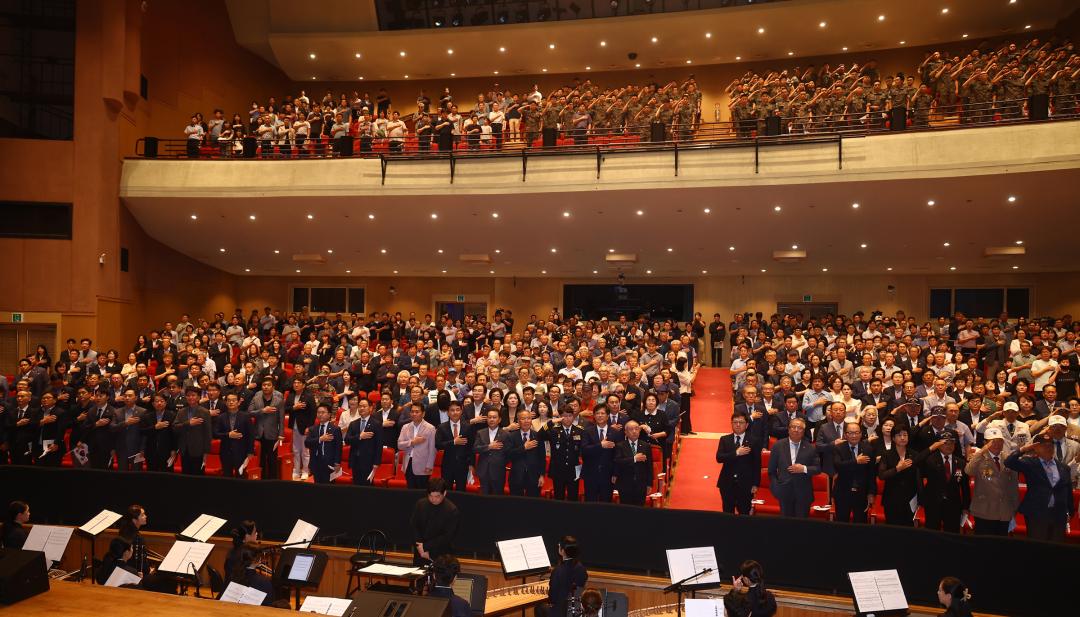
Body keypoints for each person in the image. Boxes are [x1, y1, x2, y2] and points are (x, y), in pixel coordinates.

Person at [1004, 433, 1073, 541]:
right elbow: (1009, 462)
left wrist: (1069, 511)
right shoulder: (1030, 463)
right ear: (1035, 448)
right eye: (1044, 445)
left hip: (1058, 515)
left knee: (1057, 549)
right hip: (1037, 514)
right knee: (1038, 549)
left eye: (1050, 445)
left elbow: (1068, 491)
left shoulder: (1064, 467)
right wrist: (1023, 449)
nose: (1048, 448)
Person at [878, 425, 940, 526]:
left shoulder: (913, 454)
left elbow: (921, 457)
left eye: (905, 435)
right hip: (892, 498)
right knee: (892, 528)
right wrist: (897, 469)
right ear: (893, 438)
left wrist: (932, 448)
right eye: (899, 435)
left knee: (908, 529)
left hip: (910, 498)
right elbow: (882, 475)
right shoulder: (886, 454)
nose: (902, 438)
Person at [964, 427, 1018, 536]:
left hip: (1004, 511)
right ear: (985, 443)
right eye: (992, 442)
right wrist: (982, 451)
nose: (997, 444)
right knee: (983, 546)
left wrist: (1013, 508)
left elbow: (1013, 485)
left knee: (1000, 547)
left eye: (1000, 441)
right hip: (984, 510)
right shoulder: (979, 458)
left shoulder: (1008, 458)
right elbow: (968, 471)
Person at [767, 417, 820, 518]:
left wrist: (804, 468)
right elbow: (771, 471)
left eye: (799, 428)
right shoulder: (778, 446)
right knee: (786, 526)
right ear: (788, 429)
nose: (796, 430)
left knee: (801, 527)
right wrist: (776, 488)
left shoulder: (811, 448)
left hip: (803, 493)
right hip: (784, 492)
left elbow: (817, 469)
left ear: (804, 431)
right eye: (793, 427)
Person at [919, 430, 971, 533]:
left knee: (952, 534)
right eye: (945, 443)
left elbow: (965, 487)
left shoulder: (961, 462)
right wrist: (930, 449)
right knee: (932, 534)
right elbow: (917, 462)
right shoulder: (929, 460)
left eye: (952, 443)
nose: (949, 446)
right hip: (933, 504)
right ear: (937, 445)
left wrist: (965, 506)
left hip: (953, 505)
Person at [716, 412, 760, 514]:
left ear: (747, 425)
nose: (738, 425)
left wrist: (755, 484)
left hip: (746, 484)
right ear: (731, 424)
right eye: (735, 422)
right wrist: (736, 453)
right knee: (727, 512)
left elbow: (757, 464)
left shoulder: (754, 441)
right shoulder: (725, 439)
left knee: (744, 512)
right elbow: (719, 458)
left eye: (741, 422)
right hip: (727, 483)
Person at [832, 422, 876, 524]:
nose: (854, 435)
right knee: (841, 524)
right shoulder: (838, 448)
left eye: (857, 432)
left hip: (861, 493)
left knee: (860, 525)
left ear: (861, 434)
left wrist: (871, 493)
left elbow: (871, 473)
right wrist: (856, 461)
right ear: (845, 435)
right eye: (851, 433)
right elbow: (838, 466)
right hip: (842, 492)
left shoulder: (868, 449)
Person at [410, 478, 460, 565]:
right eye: (430, 496)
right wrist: (420, 547)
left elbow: (447, 536)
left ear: (444, 493)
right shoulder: (420, 504)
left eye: (437, 496)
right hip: (420, 551)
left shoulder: (452, 510)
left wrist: (426, 547)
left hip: (441, 554)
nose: (433, 499)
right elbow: (414, 526)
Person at [544, 536, 587, 617]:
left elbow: (552, 598)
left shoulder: (558, 571)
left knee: (539, 608)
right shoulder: (582, 568)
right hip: (576, 610)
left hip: (560, 612)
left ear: (562, 551)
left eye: (559, 545)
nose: (558, 546)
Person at [435, 400, 473, 491]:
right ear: (448, 412)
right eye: (452, 410)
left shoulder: (468, 427)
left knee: (461, 491)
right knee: (446, 490)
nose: (455, 412)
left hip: (463, 465)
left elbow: (471, 447)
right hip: (447, 464)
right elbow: (438, 445)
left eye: (457, 410)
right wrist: (453, 442)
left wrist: (471, 464)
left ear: (461, 411)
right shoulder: (441, 427)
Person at [173, 387, 212, 475]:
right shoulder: (181, 411)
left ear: (198, 397)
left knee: (198, 477)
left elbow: (208, 433)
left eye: (193, 395)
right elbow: (175, 428)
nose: (190, 397)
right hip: (184, 449)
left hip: (199, 450)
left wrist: (206, 452)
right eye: (188, 395)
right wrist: (188, 423)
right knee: (185, 476)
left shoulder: (205, 412)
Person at [399, 402, 438, 489]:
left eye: (417, 412)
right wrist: (412, 442)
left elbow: (433, 450)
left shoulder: (430, 428)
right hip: (408, 464)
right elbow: (400, 445)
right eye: (412, 412)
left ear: (423, 413)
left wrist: (429, 466)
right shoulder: (405, 427)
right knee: (410, 491)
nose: (414, 414)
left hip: (423, 466)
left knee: (422, 492)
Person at [214, 392, 253, 477]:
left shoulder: (246, 416)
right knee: (227, 477)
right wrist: (228, 435)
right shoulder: (221, 417)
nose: (231, 402)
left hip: (241, 452)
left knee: (241, 476)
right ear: (226, 402)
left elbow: (250, 435)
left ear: (239, 402)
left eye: (234, 400)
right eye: (229, 400)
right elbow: (216, 433)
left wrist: (250, 452)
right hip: (225, 452)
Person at [614, 420, 653, 506]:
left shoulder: (646, 446)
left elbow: (649, 466)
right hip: (625, 484)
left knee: (639, 510)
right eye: (631, 429)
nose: (634, 431)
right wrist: (634, 459)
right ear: (625, 432)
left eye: (636, 429)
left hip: (641, 484)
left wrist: (649, 484)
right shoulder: (620, 446)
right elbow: (618, 461)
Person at [345, 398, 382, 486]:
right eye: (360, 406)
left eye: (364, 406)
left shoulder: (376, 424)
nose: (362, 408)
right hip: (355, 460)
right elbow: (347, 440)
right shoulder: (353, 424)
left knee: (367, 487)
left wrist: (376, 462)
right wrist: (359, 437)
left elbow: (379, 445)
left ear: (370, 408)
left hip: (369, 461)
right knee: (356, 486)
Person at [473, 409, 508, 495]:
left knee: (498, 497)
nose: (492, 419)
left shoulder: (506, 434)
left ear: (499, 419)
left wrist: (500, 462)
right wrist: (489, 446)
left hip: (498, 470)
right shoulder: (480, 432)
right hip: (483, 470)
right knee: (484, 498)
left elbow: (508, 453)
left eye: (494, 417)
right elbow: (475, 448)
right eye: (489, 417)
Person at [305, 405, 343, 484]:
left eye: (323, 412)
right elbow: (307, 443)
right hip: (316, 463)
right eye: (318, 412)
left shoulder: (335, 429)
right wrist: (320, 439)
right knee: (318, 488)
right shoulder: (313, 429)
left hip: (330, 463)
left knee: (329, 488)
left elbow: (338, 447)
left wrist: (337, 463)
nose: (320, 414)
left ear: (329, 415)